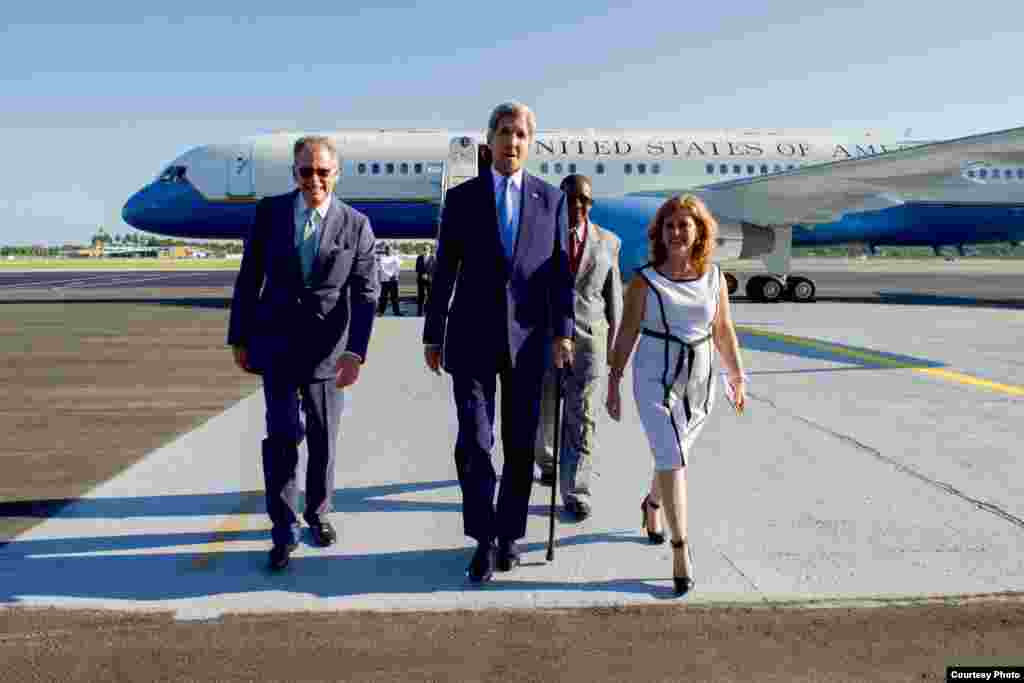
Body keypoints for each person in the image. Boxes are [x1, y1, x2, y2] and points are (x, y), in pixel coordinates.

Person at [423, 102, 575, 584]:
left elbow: (559, 276)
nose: (513, 142)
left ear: (531, 143)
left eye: (522, 135)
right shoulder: (463, 199)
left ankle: (508, 533)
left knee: (520, 444)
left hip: (529, 341)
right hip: (469, 338)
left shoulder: (551, 200)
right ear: (490, 139)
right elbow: (444, 270)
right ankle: (483, 539)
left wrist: (565, 332)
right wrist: (432, 332)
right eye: (505, 132)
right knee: (475, 441)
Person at [227, 135, 379, 571]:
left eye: (322, 172)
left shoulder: (356, 224)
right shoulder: (269, 214)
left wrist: (356, 352)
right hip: (275, 346)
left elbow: (366, 295)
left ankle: (318, 513)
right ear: (294, 172)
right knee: (280, 440)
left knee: (323, 440)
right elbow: (248, 278)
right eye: (305, 171)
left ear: (337, 174)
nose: (314, 179)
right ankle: (283, 530)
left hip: (328, 355)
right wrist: (240, 337)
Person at [606, 194, 746, 597]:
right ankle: (681, 549)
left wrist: (736, 375)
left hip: (700, 379)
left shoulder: (714, 278)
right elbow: (627, 332)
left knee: (675, 454)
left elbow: (723, 330)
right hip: (654, 375)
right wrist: (614, 380)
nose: (677, 232)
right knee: (671, 455)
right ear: (659, 233)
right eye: (670, 226)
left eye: (685, 225)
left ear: (700, 231)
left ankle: (652, 504)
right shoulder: (644, 280)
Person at [534, 174, 622, 521]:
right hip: (545, 335)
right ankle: (548, 461)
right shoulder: (541, 237)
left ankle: (576, 490)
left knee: (583, 413)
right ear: (560, 201)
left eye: (584, 200)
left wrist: (614, 349)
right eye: (571, 199)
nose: (578, 206)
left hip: (590, 340)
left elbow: (613, 299)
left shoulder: (609, 242)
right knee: (545, 407)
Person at [377, 243, 402, 316]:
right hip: (385, 281)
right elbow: (382, 268)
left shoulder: (395, 257)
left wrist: (395, 275)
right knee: (383, 298)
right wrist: (391, 275)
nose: (389, 251)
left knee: (395, 298)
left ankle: (396, 312)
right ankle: (381, 312)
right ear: (385, 250)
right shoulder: (382, 258)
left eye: (390, 249)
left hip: (393, 281)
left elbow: (398, 267)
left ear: (392, 250)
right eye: (387, 249)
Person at [415, 244, 436, 316]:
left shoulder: (433, 258)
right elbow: (417, 268)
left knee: (430, 296)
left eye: (427, 248)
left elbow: (434, 269)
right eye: (424, 248)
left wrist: (428, 275)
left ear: (430, 249)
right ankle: (420, 312)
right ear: (423, 250)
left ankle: (428, 311)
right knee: (421, 296)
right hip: (420, 280)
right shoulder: (419, 258)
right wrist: (422, 275)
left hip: (429, 280)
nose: (426, 250)